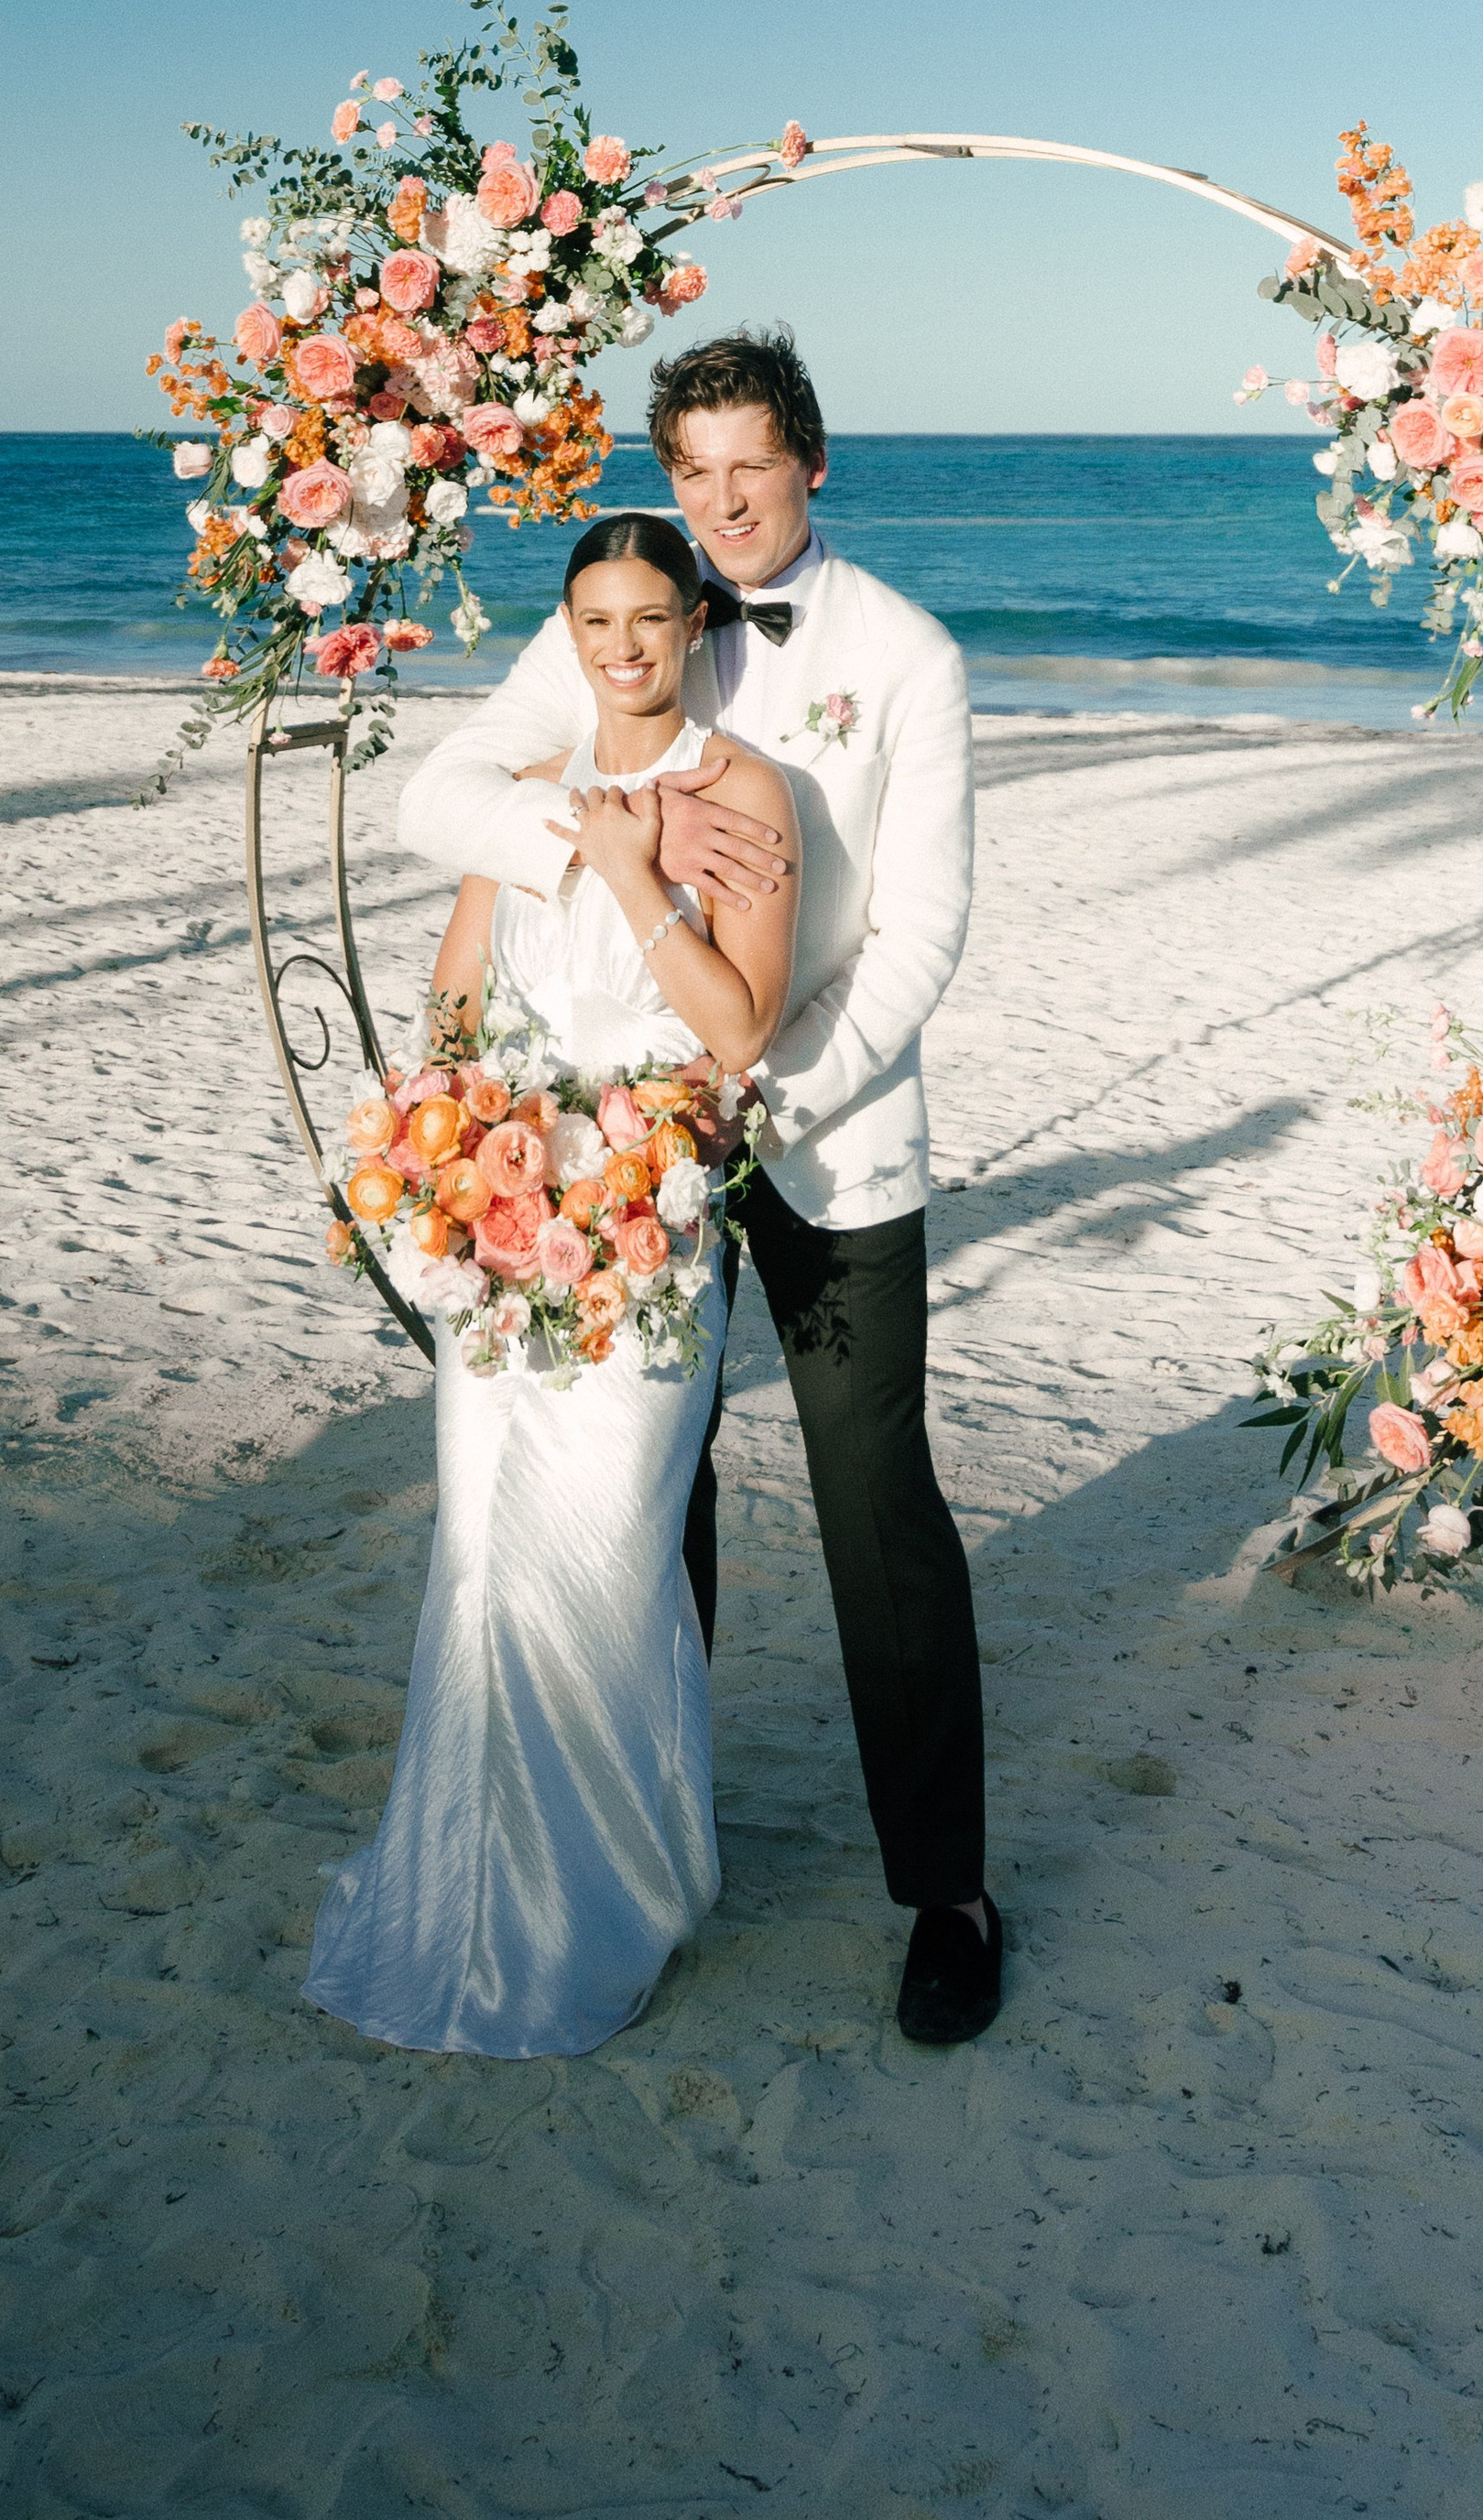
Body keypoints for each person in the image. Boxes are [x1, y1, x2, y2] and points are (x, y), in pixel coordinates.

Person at [394, 327, 1000, 2048]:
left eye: (754, 467)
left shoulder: (907, 658)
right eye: (695, 473)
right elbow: (451, 795)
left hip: (823, 1132)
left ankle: (945, 1893)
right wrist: (613, 845)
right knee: (641, 1501)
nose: (723, 505)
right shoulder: (632, 605)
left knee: (878, 1508)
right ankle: (633, 1861)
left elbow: (920, 936)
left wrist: (745, 1093)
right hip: (611, 1152)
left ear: (813, 461)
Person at [305, 514, 801, 2058]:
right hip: (508, 1223)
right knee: (482, 1555)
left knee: (602, 1552)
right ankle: (465, 1893)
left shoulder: (744, 799)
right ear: (568, 634)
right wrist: (448, 1157)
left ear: (696, 626)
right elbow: (458, 994)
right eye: (597, 621)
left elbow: (736, 1033)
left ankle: (618, 1894)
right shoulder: (522, 798)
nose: (626, 648)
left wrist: (635, 871)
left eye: (653, 619)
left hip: (651, 1222)